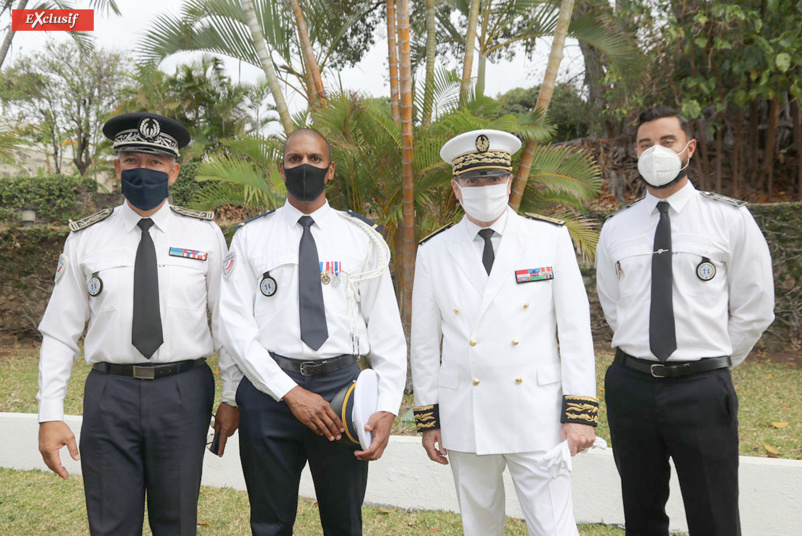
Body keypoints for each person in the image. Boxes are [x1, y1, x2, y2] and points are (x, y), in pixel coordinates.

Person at [36, 112, 241, 536]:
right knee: (110, 523)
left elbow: (227, 325)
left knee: (176, 522)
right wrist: (49, 414)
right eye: (131, 161)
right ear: (117, 167)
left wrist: (232, 396)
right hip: (111, 394)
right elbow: (60, 331)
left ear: (174, 170)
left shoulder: (205, 235)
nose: (142, 171)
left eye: (155, 163)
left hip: (183, 392)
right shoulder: (85, 239)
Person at [596, 106, 775, 536]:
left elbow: (755, 306)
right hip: (632, 386)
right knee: (641, 512)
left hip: (701, 390)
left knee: (713, 515)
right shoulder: (616, 228)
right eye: (644, 143)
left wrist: (710, 359)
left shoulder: (730, 218)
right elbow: (613, 304)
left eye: (666, 141)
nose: (654, 151)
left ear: (689, 148)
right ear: (635, 153)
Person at [218, 128, 407, 536]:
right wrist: (288, 392)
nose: (305, 166)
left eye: (315, 160)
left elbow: (387, 329)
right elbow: (234, 328)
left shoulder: (362, 238)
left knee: (344, 523)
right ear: (281, 169)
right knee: (269, 524)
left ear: (331, 170)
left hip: (343, 392)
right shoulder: (251, 237)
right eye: (295, 159)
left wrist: (388, 405)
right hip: (270, 394)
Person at [410, 129, 599, 536]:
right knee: (480, 528)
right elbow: (425, 343)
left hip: (538, 412)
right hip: (467, 415)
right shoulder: (433, 251)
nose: (485, 189)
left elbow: (575, 330)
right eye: (474, 181)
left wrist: (580, 411)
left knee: (554, 528)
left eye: (494, 178)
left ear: (510, 182)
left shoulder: (549, 238)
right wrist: (429, 418)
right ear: (456, 189)